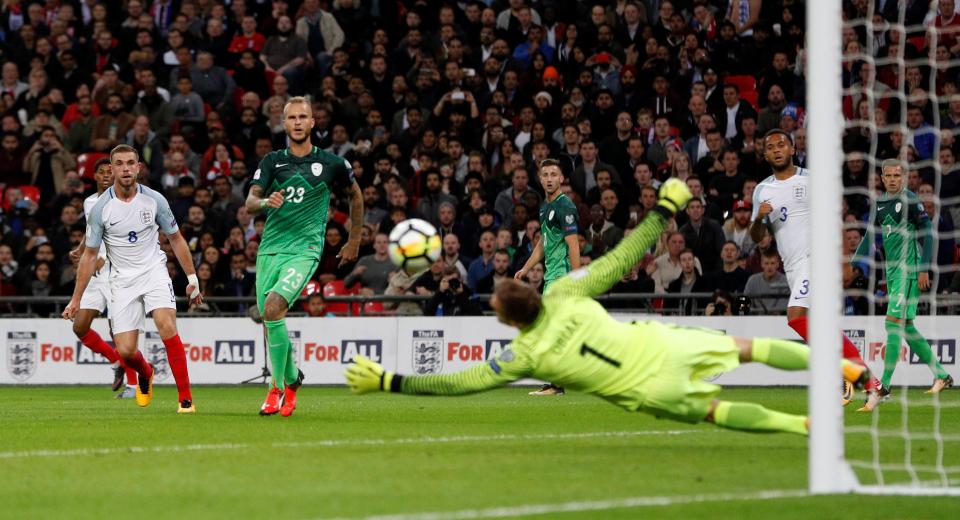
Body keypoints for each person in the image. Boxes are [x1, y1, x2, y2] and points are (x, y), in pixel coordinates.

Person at [345, 179, 872, 436]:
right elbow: (622, 255)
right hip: (661, 341)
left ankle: (801, 427)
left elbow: (457, 383)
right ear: (533, 293)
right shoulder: (564, 292)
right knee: (752, 347)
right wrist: (664, 208)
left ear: (506, 322)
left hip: (647, 390)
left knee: (718, 411)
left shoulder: (525, 356)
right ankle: (838, 364)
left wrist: (390, 382)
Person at [245, 96, 363, 417]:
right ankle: (294, 379)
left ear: (313, 123)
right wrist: (266, 200)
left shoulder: (332, 163)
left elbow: (356, 195)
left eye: (303, 117)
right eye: (291, 118)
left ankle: (276, 389)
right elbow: (249, 203)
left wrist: (354, 240)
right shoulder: (272, 162)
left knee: (272, 308)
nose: (297, 122)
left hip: (305, 249)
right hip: (270, 249)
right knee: (271, 323)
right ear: (284, 124)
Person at [63, 145, 202, 413]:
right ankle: (145, 372)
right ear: (112, 169)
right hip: (121, 280)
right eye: (119, 164)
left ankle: (185, 398)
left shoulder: (155, 200)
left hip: (153, 272)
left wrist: (192, 277)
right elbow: (89, 256)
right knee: (126, 352)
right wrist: (76, 299)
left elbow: (175, 238)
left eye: (130, 163)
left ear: (139, 167)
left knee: (167, 326)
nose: (125, 168)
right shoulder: (101, 208)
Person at [750, 129, 881, 404]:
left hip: (816, 258)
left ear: (792, 148)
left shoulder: (812, 180)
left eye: (781, 144)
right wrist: (760, 219)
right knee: (821, 327)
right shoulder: (762, 190)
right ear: (764, 155)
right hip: (793, 266)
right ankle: (870, 382)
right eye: (770, 146)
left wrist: (844, 261)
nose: (776, 149)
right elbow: (757, 237)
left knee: (796, 315)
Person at [851, 160, 953, 410]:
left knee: (892, 323)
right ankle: (942, 375)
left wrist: (924, 269)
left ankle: (883, 387)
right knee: (906, 327)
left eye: (898, 175)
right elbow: (870, 237)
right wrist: (851, 263)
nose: (894, 179)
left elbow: (928, 232)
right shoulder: (879, 204)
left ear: (904, 177)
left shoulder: (908, 200)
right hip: (894, 272)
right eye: (889, 175)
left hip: (909, 270)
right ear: (882, 178)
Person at [68, 158, 137, 398]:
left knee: (117, 329)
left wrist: (104, 258)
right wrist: (81, 248)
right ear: (95, 176)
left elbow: (123, 235)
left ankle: (133, 385)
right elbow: (93, 231)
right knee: (80, 326)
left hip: (116, 271)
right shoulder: (89, 202)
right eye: (102, 172)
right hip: (94, 274)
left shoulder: (123, 200)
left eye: (111, 171)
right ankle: (116, 360)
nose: (107, 175)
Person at [514, 158, 580, 396]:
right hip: (552, 276)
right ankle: (558, 381)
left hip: (562, 277)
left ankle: (558, 383)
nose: (550, 178)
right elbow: (543, 243)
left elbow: (573, 245)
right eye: (546, 175)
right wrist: (526, 267)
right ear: (540, 179)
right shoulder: (545, 207)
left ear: (561, 178)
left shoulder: (566, 207)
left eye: (554, 174)